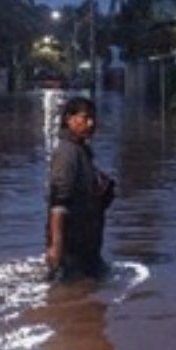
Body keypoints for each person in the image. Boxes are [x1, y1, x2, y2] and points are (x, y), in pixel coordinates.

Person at [45, 96, 116, 281]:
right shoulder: (67, 154)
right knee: (68, 299)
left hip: (86, 246)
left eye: (93, 118)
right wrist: (56, 247)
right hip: (71, 250)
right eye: (85, 118)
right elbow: (58, 203)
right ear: (69, 119)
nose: (91, 123)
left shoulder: (81, 151)